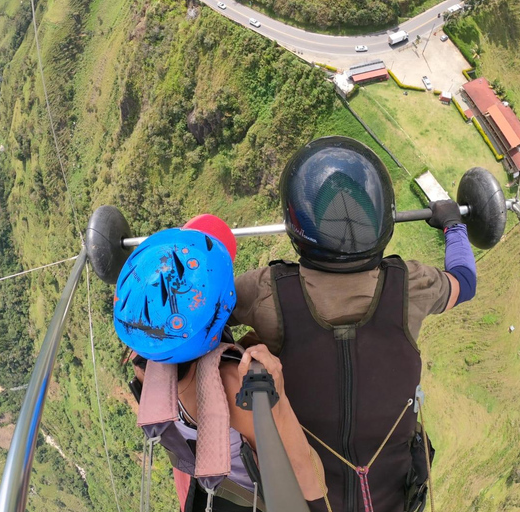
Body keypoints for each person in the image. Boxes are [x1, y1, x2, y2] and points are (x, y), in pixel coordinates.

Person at [229, 136, 477, 512]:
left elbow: (207, 314)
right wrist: (453, 225)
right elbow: (465, 281)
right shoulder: (410, 286)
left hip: (302, 497)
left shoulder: (264, 292)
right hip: (391, 498)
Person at [114, 217, 325, 512]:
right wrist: (278, 400)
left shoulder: (143, 361)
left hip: (200, 475)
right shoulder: (235, 386)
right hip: (250, 493)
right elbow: (306, 476)